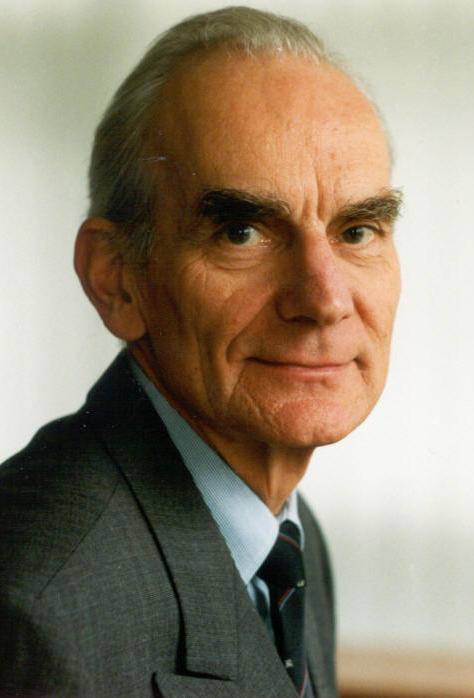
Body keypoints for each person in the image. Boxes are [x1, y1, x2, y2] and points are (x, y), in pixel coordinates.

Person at [0, 6, 401, 697]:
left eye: (358, 230)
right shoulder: (41, 610)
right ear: (115, 278)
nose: (325, 299)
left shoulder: (286, 541)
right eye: (243, 232)